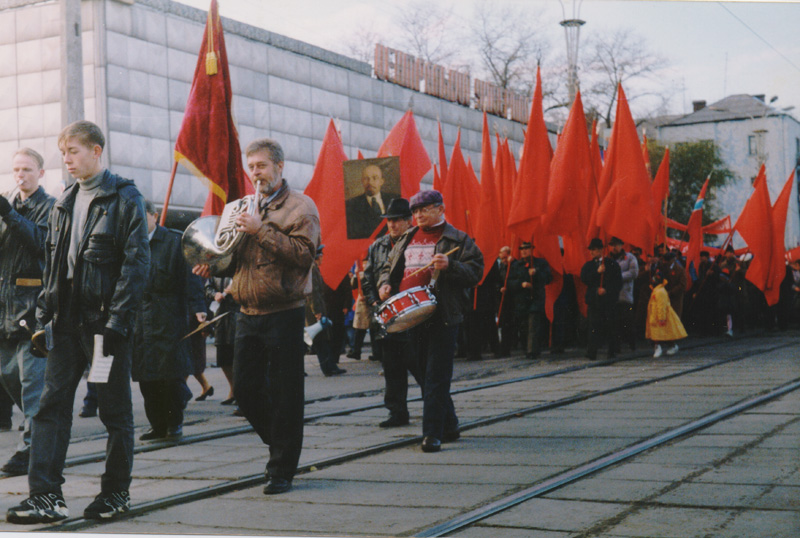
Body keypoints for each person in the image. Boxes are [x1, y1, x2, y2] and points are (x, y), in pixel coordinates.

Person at [7, 121, 150, 524]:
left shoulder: (124, 198)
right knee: (51, 407)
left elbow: (136, 264)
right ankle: (45, 497)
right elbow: (53, 265)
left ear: (96, 150)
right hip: (65, 324)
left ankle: (115, 493)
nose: (67, 160)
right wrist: (43, 317)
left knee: (113, 409)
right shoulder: (65, 201)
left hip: (103, 326)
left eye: (73, 151)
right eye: (64, 152)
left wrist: (118, 322)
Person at [192, 138, 319, 495]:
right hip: (247, 310)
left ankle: (281, 468)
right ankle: (281, 445)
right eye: (252, 168)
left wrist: (259, 229)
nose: (256, 173)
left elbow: (304, 256)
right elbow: (232, 257)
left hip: (284, 312)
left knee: (286, 393)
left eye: (262, 166)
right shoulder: (242, 207)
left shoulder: (301, 207)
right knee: (245, 391)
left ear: (280, 166)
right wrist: (212, 262)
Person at [378, 190, 483, 452]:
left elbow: (476, 271)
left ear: (440, 208)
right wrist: (385, 285)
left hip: (442, 315)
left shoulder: (457, 238)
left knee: (436, 375)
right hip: (412, 316)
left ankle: (432, 434)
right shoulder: (406, 238)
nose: (418, 215)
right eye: (415, 212)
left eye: (424, 210)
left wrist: (451, 265)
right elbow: (387, 267)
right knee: (426, 374)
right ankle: (450, 425)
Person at [0, 148, 55, 476]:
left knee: (32, 385)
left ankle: (31, 450)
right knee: (10, 378)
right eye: (17, 169)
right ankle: (43, 429)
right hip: (5, 310)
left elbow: (40, 243)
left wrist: (9, 214)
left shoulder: (51, 207)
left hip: (33, 311)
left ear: (41, 173)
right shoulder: (8, 203)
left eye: (28, 170)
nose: (21, 175)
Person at [132, 201, 206, 441]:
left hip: (169, 315)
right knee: (146, 376)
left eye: (142, 216)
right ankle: (157, 424)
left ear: (154, 216)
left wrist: (198, 308)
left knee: (171, 374)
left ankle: (174, 422)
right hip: (140, 318)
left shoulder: (175, 242)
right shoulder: (129, 244)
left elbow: (191, 279)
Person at [362, 198, 424, 427]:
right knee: (392, 370)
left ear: (409, 221)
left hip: (414, 317)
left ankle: (439, 412)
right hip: (388, 318)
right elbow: (367, 279)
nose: (392, 225)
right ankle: (397, 412)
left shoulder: (419, 243)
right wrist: (374, 301)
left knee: (422, 369)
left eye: (397, 221)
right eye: (389, 221)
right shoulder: (377, 247)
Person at [306, 245, 346, 377]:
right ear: (318, 256)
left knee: (320, 341)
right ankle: (328, 368)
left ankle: (330, 367)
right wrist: (317, 311)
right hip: (314, 313)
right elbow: (313, 293)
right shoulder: (312, 270)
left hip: (316, 310)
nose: (323, 258)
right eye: (321, 255)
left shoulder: (314, 269)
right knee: (318, 341)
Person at [508, 241, 552, 360]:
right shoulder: (516, 265)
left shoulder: (540, 263)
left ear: (532, 249)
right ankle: (527, 348)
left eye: (527, 248)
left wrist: (537, 273)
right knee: (524, 327)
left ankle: (532, 351)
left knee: (533, 325)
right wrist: (521, 284)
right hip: (522, 300)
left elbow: (548, 278)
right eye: (522, 249)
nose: (524, 251)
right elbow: (509, 282)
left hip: (535, 298)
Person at [580, 238, 622, 361]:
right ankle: (591, 351)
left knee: (610, 326)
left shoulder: (612, 264)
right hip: (594, 300)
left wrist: (607, 291)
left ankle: (612, 350)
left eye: (594, 250)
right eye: (591, 250)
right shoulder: (588, 266)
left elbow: (617, 283)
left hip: (608, 301)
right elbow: (585, 279)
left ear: (600, 250)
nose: (592, 252)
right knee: (593, 326)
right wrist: (597, 273)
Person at [205, 277, 238, 404]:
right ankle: (233, 388)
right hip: (220, 317)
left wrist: (233, 291)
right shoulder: (216, 271)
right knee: (223, 357)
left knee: (238, 356)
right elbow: (208, 288)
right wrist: (215, 294)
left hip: (237, 314)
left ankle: (239, 392)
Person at [345, 164, 396, 239]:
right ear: (362, 181)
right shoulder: (351, 204)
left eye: (375, 178)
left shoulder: (394, 199)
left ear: (382, 181)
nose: (370, 182)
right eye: (366, 178)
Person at [646, 270, 688, 357]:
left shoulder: (660, 292)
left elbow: (662, 306)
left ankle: (668, 346)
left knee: (663, 333)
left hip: (660, 316)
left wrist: (661, 318)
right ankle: (660, 347)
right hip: (655, 315)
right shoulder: (657, 290)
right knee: (658, 334)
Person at [609, 237, 639, 354]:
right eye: (612, 245)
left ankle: (632, 344)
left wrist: (617, 276)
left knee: (628, 322)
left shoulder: (630, 258)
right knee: (615, 324)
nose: (614, 247)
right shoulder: (608, 259)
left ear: (622, 245)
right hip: (613, 297)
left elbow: (633, 273)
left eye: (616, 245)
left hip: (625, 296)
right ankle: (617, 347)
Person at [495, 246, 517, 357]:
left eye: (505, 257)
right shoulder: (500, 267)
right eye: (501, 257)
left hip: (514, 298)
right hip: (502, 299)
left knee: (511, 324)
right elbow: (497, 280)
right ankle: (504, 348)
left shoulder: (514, 265)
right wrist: (500, 288)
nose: (503, 259)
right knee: (504, 324)